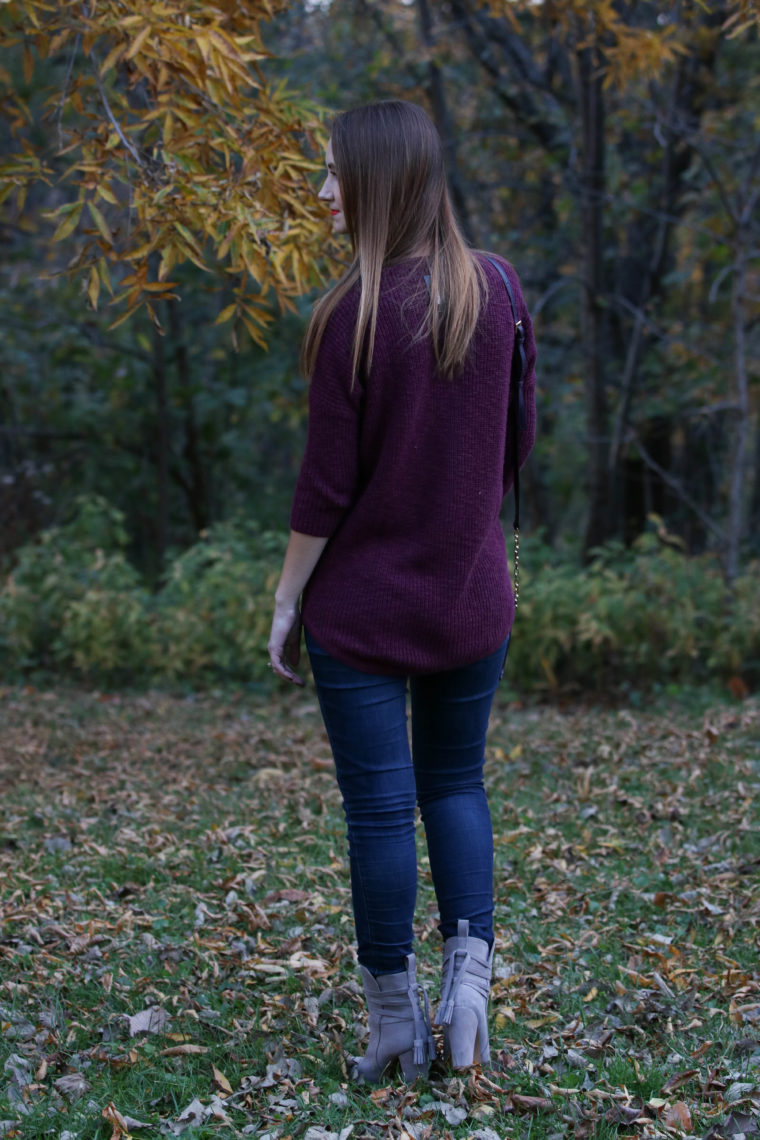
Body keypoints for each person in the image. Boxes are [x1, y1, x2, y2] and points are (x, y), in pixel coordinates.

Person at [267, 99, 537, 1083]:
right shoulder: (499, 291)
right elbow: (516, 445)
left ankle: (394, 1024)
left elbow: (324, 491)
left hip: (364, 612)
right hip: (471, 600)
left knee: (380, 813)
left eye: (335, 173)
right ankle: (469, 989)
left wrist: (288, 601)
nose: (325, 192)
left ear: (382, 181)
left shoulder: (354, 313)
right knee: (456, 786)